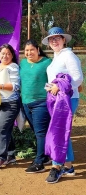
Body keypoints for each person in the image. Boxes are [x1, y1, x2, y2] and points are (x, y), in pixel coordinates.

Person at [41, 27, 83, 184]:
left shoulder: (69, 55)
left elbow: (78, 78)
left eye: (57, 38)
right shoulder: (57, 57)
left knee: (57, 130)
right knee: (62, 131)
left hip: (67, 99)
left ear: (64, 39)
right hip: (56, 99)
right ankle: (68, 166)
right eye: (51, 39)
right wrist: (51, 87)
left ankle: (57, 166)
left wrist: (59, 87)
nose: (54, 41)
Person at [20, 39, 52, 173]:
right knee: (36, 131)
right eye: (26, 50)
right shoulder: (22, 63)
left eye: (31, 50)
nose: (29, 53)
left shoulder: (47, 63)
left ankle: (39, 162)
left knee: (40, 133)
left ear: (38, 50)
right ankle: (45, 156)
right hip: (26, 103)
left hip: (41, 103)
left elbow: (53, 80)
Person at [0, 44, 21, 168]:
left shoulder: (13, 67)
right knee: (5, 129)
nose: (5, 56)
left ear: (12, 55)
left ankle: (1, 157)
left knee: (1, 129)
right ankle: (11, 155)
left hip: (10, 104)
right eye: (3, 53)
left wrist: (0, 86)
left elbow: (15, 86)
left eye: (8, 53)